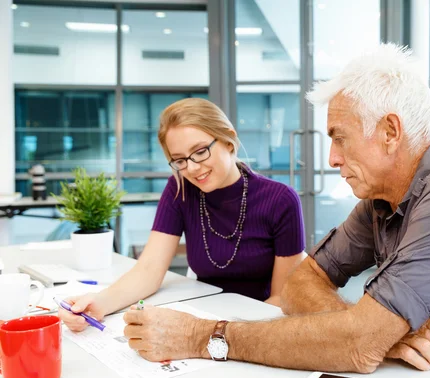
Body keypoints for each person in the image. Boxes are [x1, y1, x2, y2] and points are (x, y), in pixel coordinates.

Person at [124, 44, 430, 378]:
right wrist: (378, 333)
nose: (331, 158)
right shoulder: (381, 200)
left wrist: (204, 337)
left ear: (390, 132)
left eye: (340, 138)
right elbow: (302, 283)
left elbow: (356, 346)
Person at [59, 98, 307, 332]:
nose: (192, 168)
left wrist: (225, 335)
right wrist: (99, 304)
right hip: (201, 318)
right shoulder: (180, 189)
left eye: (200, 151)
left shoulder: (280, 199)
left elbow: (282, 298)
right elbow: (149, 270)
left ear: (229, 141)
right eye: (179, 160)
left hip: (257, 325)